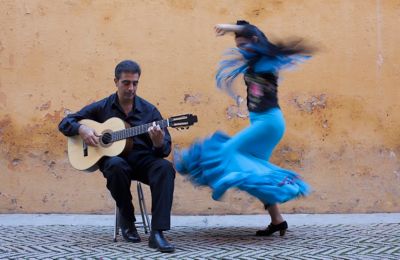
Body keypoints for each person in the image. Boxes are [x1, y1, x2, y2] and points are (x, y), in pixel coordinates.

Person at [174, 20, 314, 236]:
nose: (241, 51)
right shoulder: (254, 63)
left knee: (226, 149)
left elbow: (255, 36)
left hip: (269, 123)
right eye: (238, 47)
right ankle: (277, 221)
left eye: (244, 46)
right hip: (260, 122)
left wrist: (231, 28)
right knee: (255, 172)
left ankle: (224, 183)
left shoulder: (267, 61)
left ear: (256, 41)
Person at [59, 60, 175, 252]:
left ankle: (157, 233)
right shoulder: (102, 107)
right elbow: (65, 122)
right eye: (126, 83)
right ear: (116, 81)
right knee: (115, 165)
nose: (131, 88)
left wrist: (158, 142)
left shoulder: (149, 111)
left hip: (142, 160)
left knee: (165, 168)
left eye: (135, 83)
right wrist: (82, 128)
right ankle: (127, 218)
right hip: (116, 163)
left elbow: (164, 150)